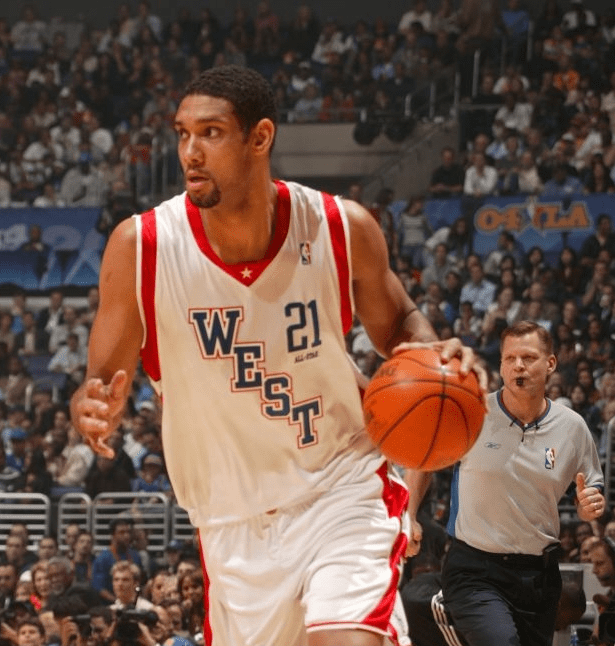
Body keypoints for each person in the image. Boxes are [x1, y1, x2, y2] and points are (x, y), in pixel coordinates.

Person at [71, 64, 482, 646]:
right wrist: (90, 407)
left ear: (260, 137)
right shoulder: (142, 247)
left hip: (341, 487)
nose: (190, 152)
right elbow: (100, 382)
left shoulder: (340, 227)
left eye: (211, 133)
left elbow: (399, 325)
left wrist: (435, 352)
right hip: (231, 520)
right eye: (183, 134)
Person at [407, 320, 605, 646]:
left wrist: (589, 505)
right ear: (500, 365)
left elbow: (590, 498)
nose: (518, 366)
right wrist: (409, 513)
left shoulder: (573, 428)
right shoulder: (472, 411)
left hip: (538, 576)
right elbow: (424, 459)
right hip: (475, 569)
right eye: (509, 358)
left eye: (528, 357)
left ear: (550, 363)